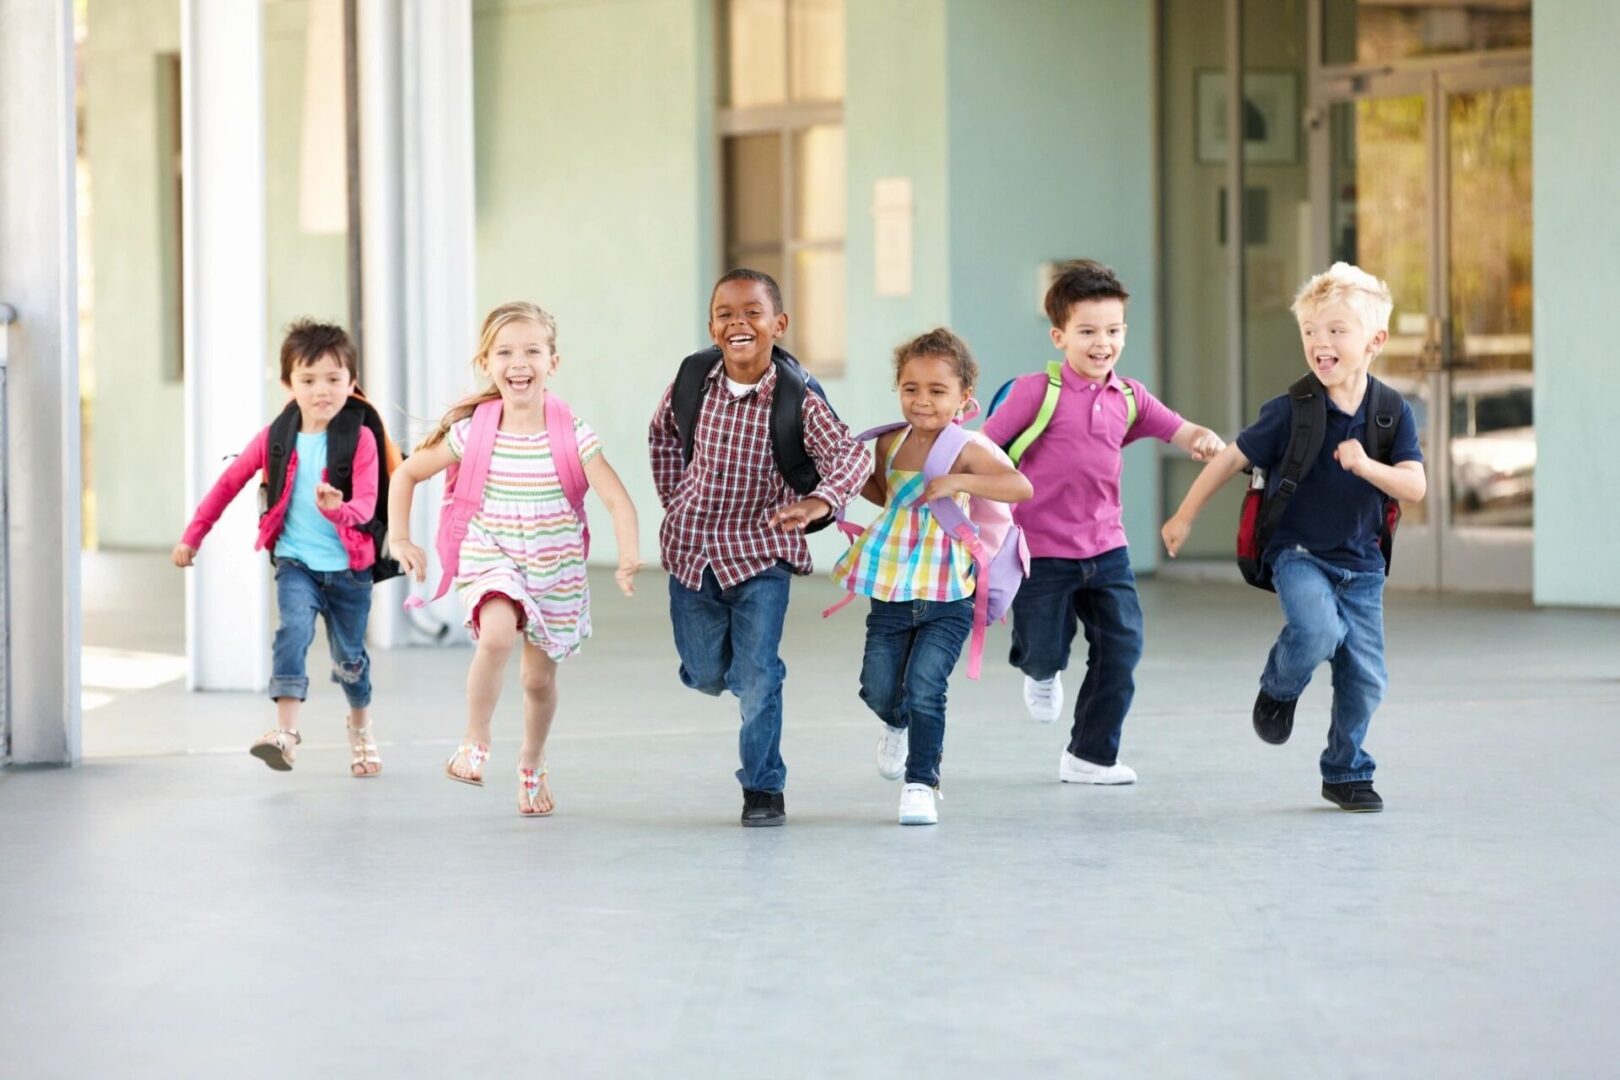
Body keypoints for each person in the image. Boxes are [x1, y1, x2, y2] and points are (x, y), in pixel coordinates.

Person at [1161, 262, 1426, 812]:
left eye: (1335, 331)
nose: (1319, 342)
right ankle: (1279, 689)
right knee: (1317, 629)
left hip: (1363, 566)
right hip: (1298, 554)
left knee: (1367, 677)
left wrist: (1365, 467)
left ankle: (1346, 771)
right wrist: (1184, 515)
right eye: (1310, 331)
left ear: (1374, 341)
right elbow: (1233, 456)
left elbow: (1415, 486)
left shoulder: (1390, 413)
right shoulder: (1291, 411)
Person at [389, 302, 641, 816]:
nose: (518, 361)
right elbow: (407, 474)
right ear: (487, 362)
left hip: (555, 569)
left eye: (532, 350)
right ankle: (475, 740)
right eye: (504, 351)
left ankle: (532, 761)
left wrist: (629, 555)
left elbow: (617, 499)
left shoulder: (573, 433)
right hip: (493, 555)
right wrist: (400, 538)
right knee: (498, 634)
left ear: (553, 361)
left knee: (536, 680)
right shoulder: (473, 433)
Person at [980, 259, 1225, 785]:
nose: (1102, 343)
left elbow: (1181, 429)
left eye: (1113, 331)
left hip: (1106, 547)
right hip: (1039, 549)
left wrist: (1203, 439)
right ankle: (1041, 672)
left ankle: (1090, 756)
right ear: (1059, 336)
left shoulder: (1129, 397)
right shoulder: (1034, 391)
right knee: (1045, 648)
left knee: (1123, 645)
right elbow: (983, 449)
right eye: (1087, 331)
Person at [648, 269, 870, 827]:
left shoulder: (798, 398)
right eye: (725, 313)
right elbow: (663, 436)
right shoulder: (693, 380)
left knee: (759, 674)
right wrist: (675, 499)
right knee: (704, 673)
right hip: (691, 550)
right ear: (712, 325)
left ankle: (763, 788)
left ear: (779, 324)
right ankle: (726, 677)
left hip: (760, 554)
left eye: (752, 312)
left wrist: (819, 503)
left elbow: (853, 457)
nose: (738, 322)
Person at [173, 319, 392, 776]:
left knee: (349, 659)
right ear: (288, 384)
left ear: (352, 383)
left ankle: (360, 725)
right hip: (297, 563)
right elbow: (228, 484)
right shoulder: (276, 436)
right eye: (308, 380)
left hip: (350, 570)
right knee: (292, 629)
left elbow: (368, 504)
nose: (322, 391)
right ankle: (287, 735)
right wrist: (193, 535)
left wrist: (337, 509)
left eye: (334, 379)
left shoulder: (361, 439)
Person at [832, 328, 1032, 825]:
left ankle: (921, 782)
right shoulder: (889, 444)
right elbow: (883, 494)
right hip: (893, 586)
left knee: (926, 683)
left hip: (948, 589)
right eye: (911, 388)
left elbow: (1020, 486)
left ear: (964, 398)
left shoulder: (966, 447)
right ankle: (895, 723)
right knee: (878, 685)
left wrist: (962, 480)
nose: (922, 401)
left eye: (938, 391)